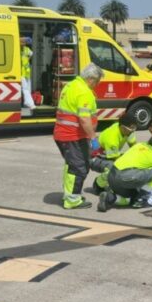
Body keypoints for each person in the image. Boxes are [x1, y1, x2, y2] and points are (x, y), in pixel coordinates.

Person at [52, 63, 103, 210]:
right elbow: (84, 119)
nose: (97, 85)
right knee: (79, 168)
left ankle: (70, 195)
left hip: (65, 134)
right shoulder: (83, 92)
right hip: (72, 136)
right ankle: (72, 200)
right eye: (97, 82)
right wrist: (93, 138)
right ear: (91, 79)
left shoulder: (71, 85)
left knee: (71, 166)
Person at [97, 115, 152, 212]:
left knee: (130, 198)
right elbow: (113, 158)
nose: (132, 131)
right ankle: (142, 198)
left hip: (113, 176)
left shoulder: (140, 145)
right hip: (98, 158)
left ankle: (110, 198)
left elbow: (131, 147)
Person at [90, 114, 140, 195]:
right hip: (95, 159)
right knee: (115, 168)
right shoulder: (112, 138)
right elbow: (116, 160)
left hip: (109, 155)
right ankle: (98, 184)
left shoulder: (128, 130)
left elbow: (134, 148)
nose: (132, 131)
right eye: (131, 129)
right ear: (122, 127)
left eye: (134, 129)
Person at [20, 36, 36, 112]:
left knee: (27, 89)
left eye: (24, 42)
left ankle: (26, 103)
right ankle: (30, 104)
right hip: (21, 73)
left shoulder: (27, 50)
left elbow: (31, 55)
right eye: (22, 42)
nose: (23, 44)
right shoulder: (17, 50)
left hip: (27, 73)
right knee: (25, 89)